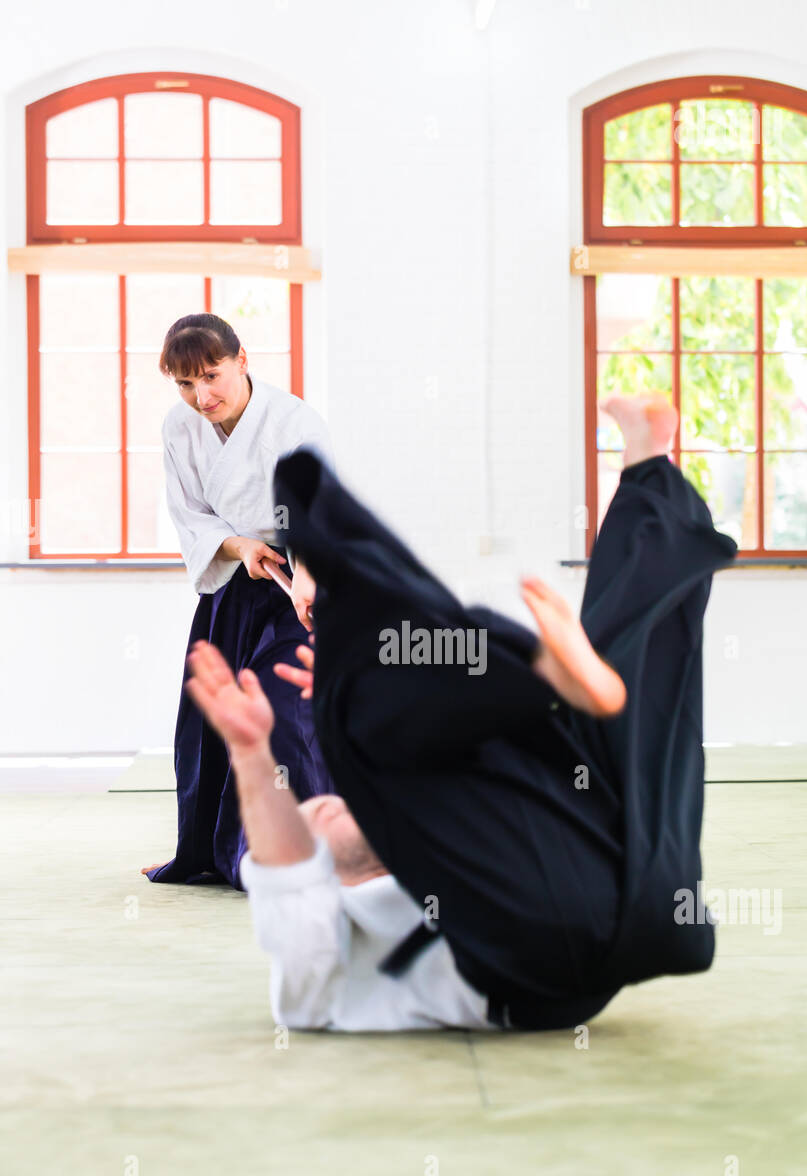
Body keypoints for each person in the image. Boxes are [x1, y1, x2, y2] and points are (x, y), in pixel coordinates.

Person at [184, 393, 738, 1029]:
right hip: (524, 954)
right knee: (354, 708)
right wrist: (253, 753)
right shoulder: (317, 982)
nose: (323, 804)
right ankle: (485, 659)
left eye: (314, 803)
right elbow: (283, 871)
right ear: (321, 878)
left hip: (631, 898)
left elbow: (307, 844)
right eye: (315, 818)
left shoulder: (429, 834)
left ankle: (646, 465)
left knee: (629, 690)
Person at [141, 313, 335, 891]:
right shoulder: (179, 428)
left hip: (300, 584)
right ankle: (206, 851)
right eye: (184, 383)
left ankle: (292, 854)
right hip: (231, 585)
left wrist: (307, 575)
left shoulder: (295, 421)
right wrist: (239, 544)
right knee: (209, 716)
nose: (201, 396)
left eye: (211, 376)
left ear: (242, 360)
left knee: (280, 713)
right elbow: (189, 514)